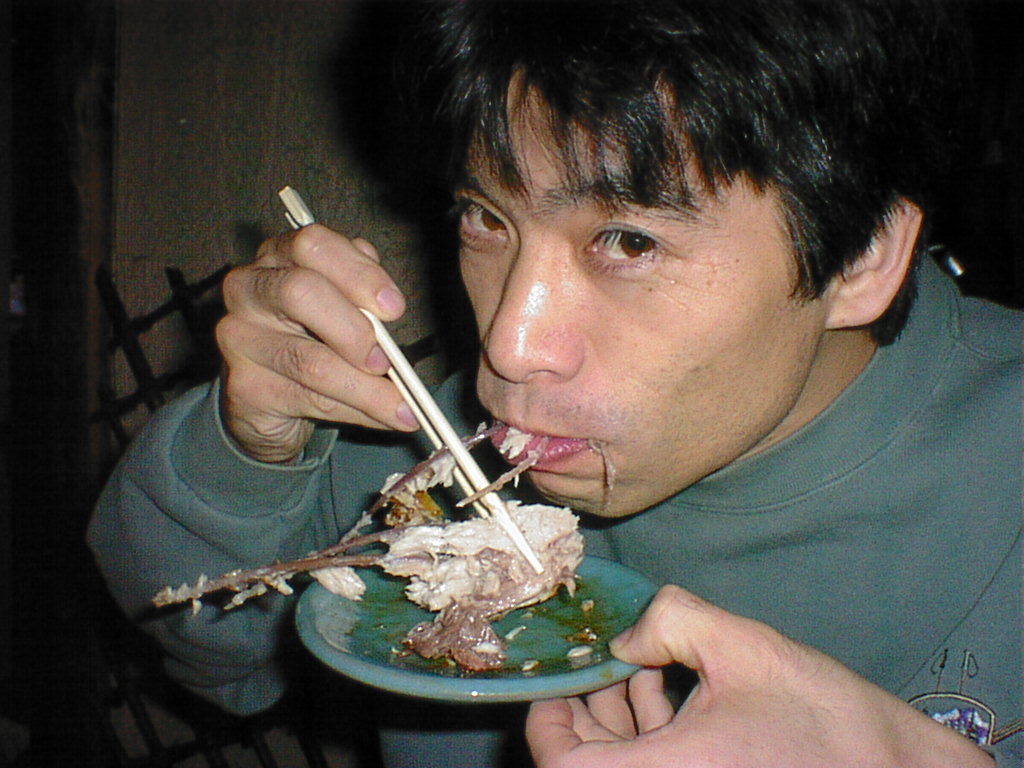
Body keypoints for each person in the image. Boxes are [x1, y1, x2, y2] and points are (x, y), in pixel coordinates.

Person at [88, 0, 1021, 766]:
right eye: (485, 218)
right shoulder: (436, 456)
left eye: (629, 240)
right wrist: (251, 452)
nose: (508, 346)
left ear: (861, 253)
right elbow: (215, 657)